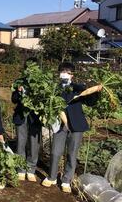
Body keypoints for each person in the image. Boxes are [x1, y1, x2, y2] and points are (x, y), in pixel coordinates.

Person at [42, 62, 102, 193]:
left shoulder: (78, 88)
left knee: (72, 154)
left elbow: (90, 102)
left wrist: (96, 92)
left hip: (76, 125)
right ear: (58, 73)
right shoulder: (54, 89)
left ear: (72, 75)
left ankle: (66, 180)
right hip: (60, 124)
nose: (64, 74)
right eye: (62, 71)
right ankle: (52, 177)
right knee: (55, 152)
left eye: (67, 72)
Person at [12, 58, 42, 182]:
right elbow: (13, 99)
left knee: (34, 144)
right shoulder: (19, 82)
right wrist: (18, 93)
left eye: (33, 67)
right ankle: (21, 168)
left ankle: (31, 169)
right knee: (21, 142)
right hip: (21, 116)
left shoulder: (41, 83)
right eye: (28, 67)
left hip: (34, 117)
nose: (30, 70)